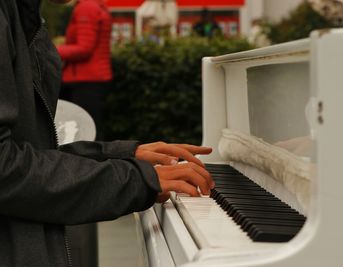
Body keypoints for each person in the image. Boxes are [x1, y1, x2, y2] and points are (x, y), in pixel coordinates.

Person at [0, 1, 214, 267]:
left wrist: (123, 155)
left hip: (87, 77)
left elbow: (32, 151)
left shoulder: (56, 10)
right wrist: (135, 179)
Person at [57, 0, 112, 140]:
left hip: (84, 79)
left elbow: (84, 48)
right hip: (92, 77)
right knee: (90, 130)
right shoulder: (95, 5)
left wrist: (50, 50)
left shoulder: (86, 7)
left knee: (84, 135)